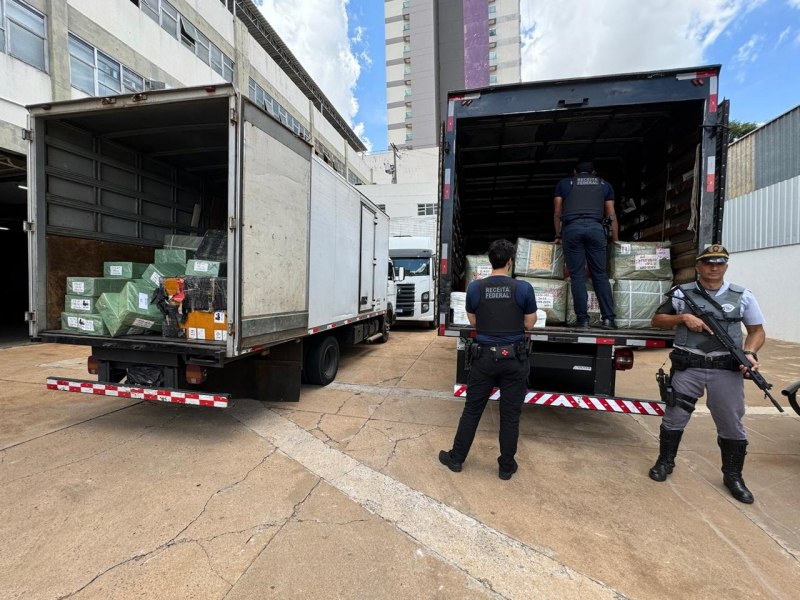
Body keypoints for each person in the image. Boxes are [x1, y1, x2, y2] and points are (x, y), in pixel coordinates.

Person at [648, 244, 766, 504]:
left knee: (732, 423)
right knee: (674, 417)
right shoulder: (682, 295)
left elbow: (756, 331)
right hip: (689, 366)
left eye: (720, 263)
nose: (714, 267)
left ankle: (733, 476)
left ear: (726, 266)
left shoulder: (742, 295)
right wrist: (683, 319)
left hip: (725, 368)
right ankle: (665, 462)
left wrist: (749, 352)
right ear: (698, 266)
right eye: (708, 262)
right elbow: (657, 320)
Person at [439, 239, 537, 480]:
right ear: (510, 261)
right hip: (515, 358)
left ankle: (456, 459)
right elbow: (529, 323)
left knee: (472, 410)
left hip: (484, 358)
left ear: (489, 261)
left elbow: (473, 321)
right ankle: (506, 466)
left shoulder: (475, 288)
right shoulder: (523, 288)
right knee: (510, 414)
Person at [553, 161, 618, 329]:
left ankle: (583, 320)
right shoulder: (605, 185)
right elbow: (611, 214)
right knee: (600, 274)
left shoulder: (565, 184)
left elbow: (558, 212)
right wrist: (615, 240)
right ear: (594, 172)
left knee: (577, 277)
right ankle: (609, 319)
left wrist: (558, 235)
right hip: (596, 229)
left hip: (572, 229)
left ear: (574, 172)